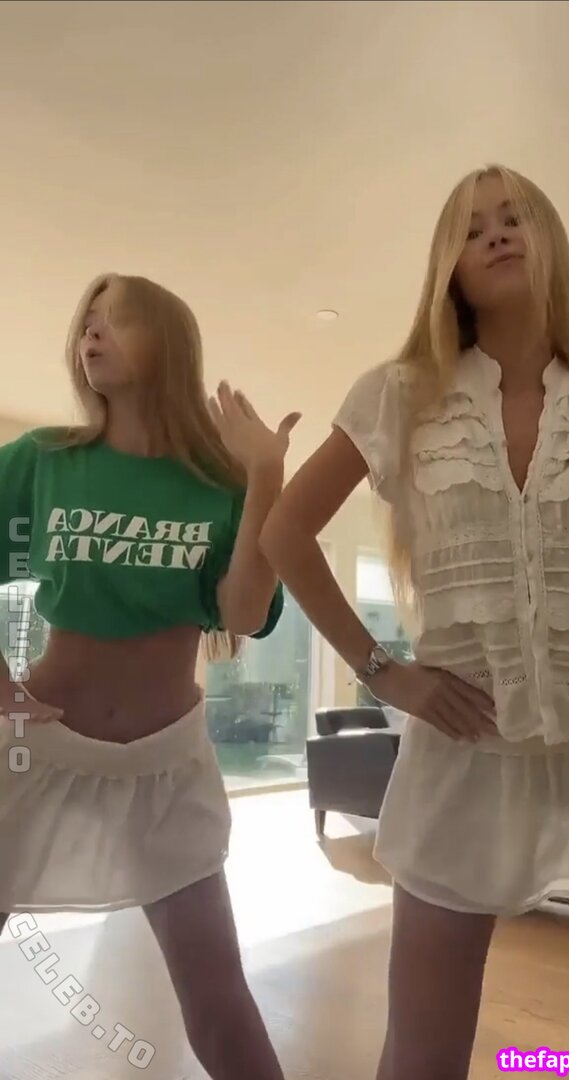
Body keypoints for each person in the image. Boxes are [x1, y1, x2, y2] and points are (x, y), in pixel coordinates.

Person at [261, 165, 569, 1079]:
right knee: (420, 1059)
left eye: (515, 218)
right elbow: (282, 533)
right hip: (462, 755)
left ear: (551, 243)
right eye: (471, 229)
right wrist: (382, 671)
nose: (496, 234)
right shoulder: (396, 396)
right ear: (449, 267)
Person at [0, 273, 298, 1080]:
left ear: (169, 345)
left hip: (166, 768)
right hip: (36, 755)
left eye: (116, 320)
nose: (91, 333)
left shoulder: (220, 484)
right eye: (86, 321)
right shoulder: (44, 461)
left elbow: (241, 612)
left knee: (217, 996)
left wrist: (265, 476)